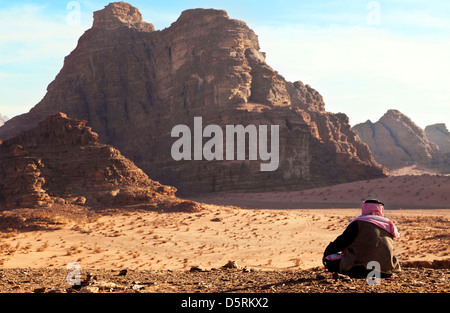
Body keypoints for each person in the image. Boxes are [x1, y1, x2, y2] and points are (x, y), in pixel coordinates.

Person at [323, 199, 401, 278]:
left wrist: (327, 252)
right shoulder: (389, 225)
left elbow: (341, 242)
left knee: (330, 258)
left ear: (364, 208)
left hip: (362, 269)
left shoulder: (359, 223)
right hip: (385, 270)